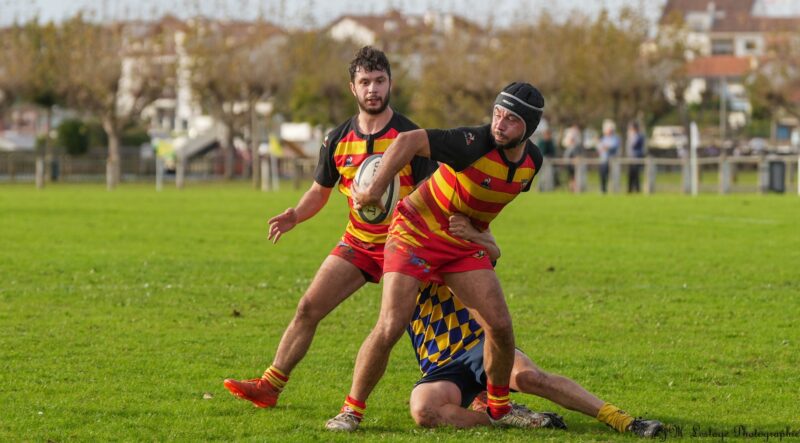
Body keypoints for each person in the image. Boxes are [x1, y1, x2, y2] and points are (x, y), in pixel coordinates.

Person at [222, 46, 437, 408]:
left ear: (390, 84)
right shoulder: (336, 139)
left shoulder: (411, 136)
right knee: (308, 307)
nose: (373, 89)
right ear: (352, 88)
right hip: (358, 243)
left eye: (379, 81)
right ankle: (270, 386)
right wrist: (296, 214)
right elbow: (318, 193)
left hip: (405, 245)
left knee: (411, 324)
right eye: (365, 82)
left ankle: (473, 387)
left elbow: (432, 195)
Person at [326, 82, 545, 431]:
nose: (499, 125)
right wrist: (375, 190)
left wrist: (482, 239)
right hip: (413, 232)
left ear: (529, 128)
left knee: (500, 327)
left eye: (511, 120)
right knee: (392, 324)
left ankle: (500, 409)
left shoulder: (532, 163)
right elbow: (408, 141)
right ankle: (351, 410)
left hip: (456, 243)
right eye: (497, 114)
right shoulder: (471, 142)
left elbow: (484, 207)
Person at [406, 214, 664, 438]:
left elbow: (493, 252)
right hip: (439, 363)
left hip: (479, 344)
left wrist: (472, 233)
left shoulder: (459, 218)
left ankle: (622, 419)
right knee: (424, 410)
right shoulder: (402, 238)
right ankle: (505, 419)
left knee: (529, 378)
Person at [597, 122, 619, 194]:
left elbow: (612, 147)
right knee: (603, 175)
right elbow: (600, 148)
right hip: (603, 160)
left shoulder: (615, 138)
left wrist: (606, 147)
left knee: (613, 176)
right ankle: (603, 190)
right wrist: (604, 147)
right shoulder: (603, 138)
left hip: (612, 160)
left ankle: (614, 190)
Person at [562, 124, 582, 192]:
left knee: (574, 176)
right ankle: (572, 188)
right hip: (569, 163)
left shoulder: (576, 145)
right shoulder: (569, 147)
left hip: (574, 164)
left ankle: (574, 188)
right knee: (571, 176)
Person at [626, 121, 645, 193]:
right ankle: (630, 189)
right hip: (631, 157)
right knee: (630, 174)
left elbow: (634, 145)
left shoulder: (639, 136)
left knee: (636, 174)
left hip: (637, 157)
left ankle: (637, 189)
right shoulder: (631, 136)